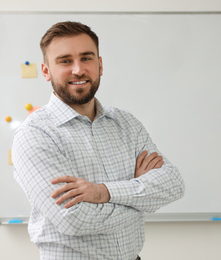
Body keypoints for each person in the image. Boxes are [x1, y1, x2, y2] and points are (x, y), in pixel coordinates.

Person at [12, 21, 185, 260]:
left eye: (86, 58)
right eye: (65, 61)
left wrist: (103, 192)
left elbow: (173, 184)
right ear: (45, 71)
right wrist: (140, 198)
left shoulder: (126, 123)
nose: (78, 70)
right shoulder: (35, 134)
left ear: (100, 65)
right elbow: (74, 220)